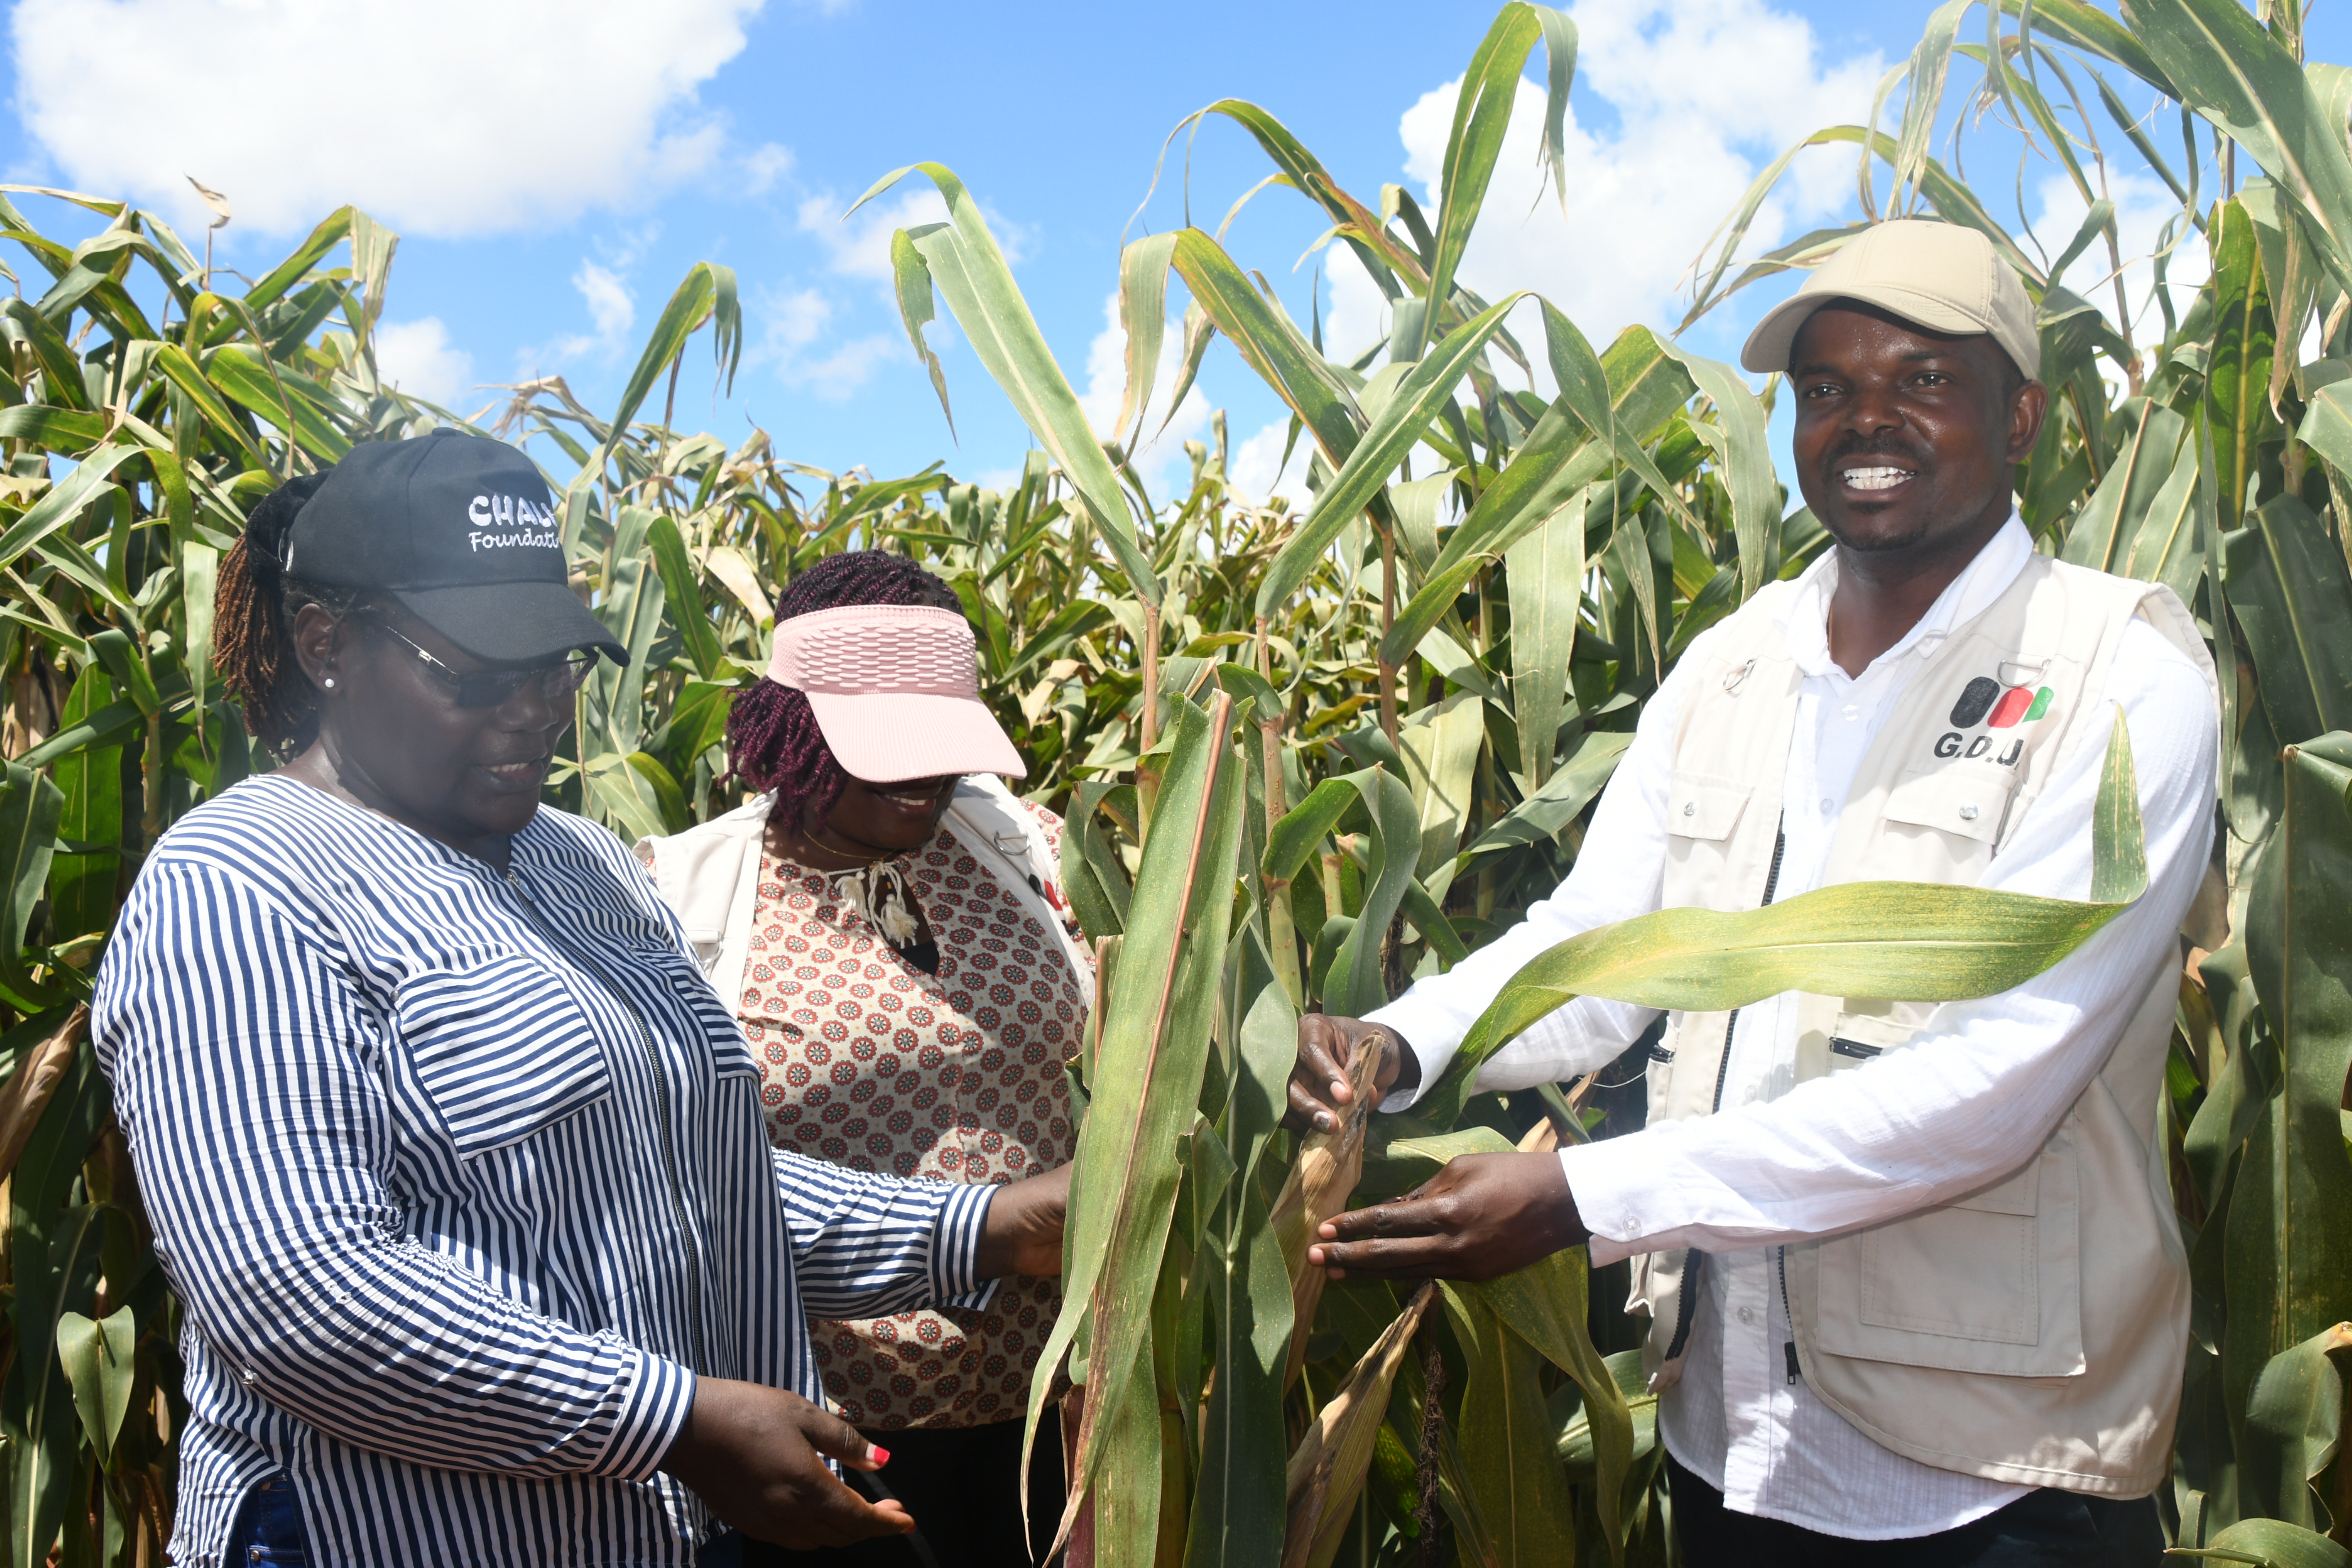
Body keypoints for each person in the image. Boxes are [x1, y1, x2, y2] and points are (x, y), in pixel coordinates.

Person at [1290, 220, 2219, 1566]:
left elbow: (1998, 1086)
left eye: (1925, 380)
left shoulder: (2120, 676)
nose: (1868, 419)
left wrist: (1585, 1198)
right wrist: (1399, 1043)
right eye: (1828, 387)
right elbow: (1600, 949)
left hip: (1991, 1481)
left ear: (2021, 416)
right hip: (1724, 1444)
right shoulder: (1734, 663)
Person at [91, 432, 1071, 1568]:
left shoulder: (583, 862)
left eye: (555, 666)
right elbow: (299, 1293)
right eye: (476, 674)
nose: (535, 712)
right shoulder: (241, 887)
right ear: (326, 646)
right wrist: (674, 1424)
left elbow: (690, 1185)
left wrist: (985, 1228)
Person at [638, 550, 1088, 1568]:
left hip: (1057, 1406)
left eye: (943, 739)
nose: (924, 773)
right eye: (886, 744)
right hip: (836, 1434)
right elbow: (676, 1170)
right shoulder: (679, 897)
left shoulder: (1030, 848)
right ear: (791, 725)